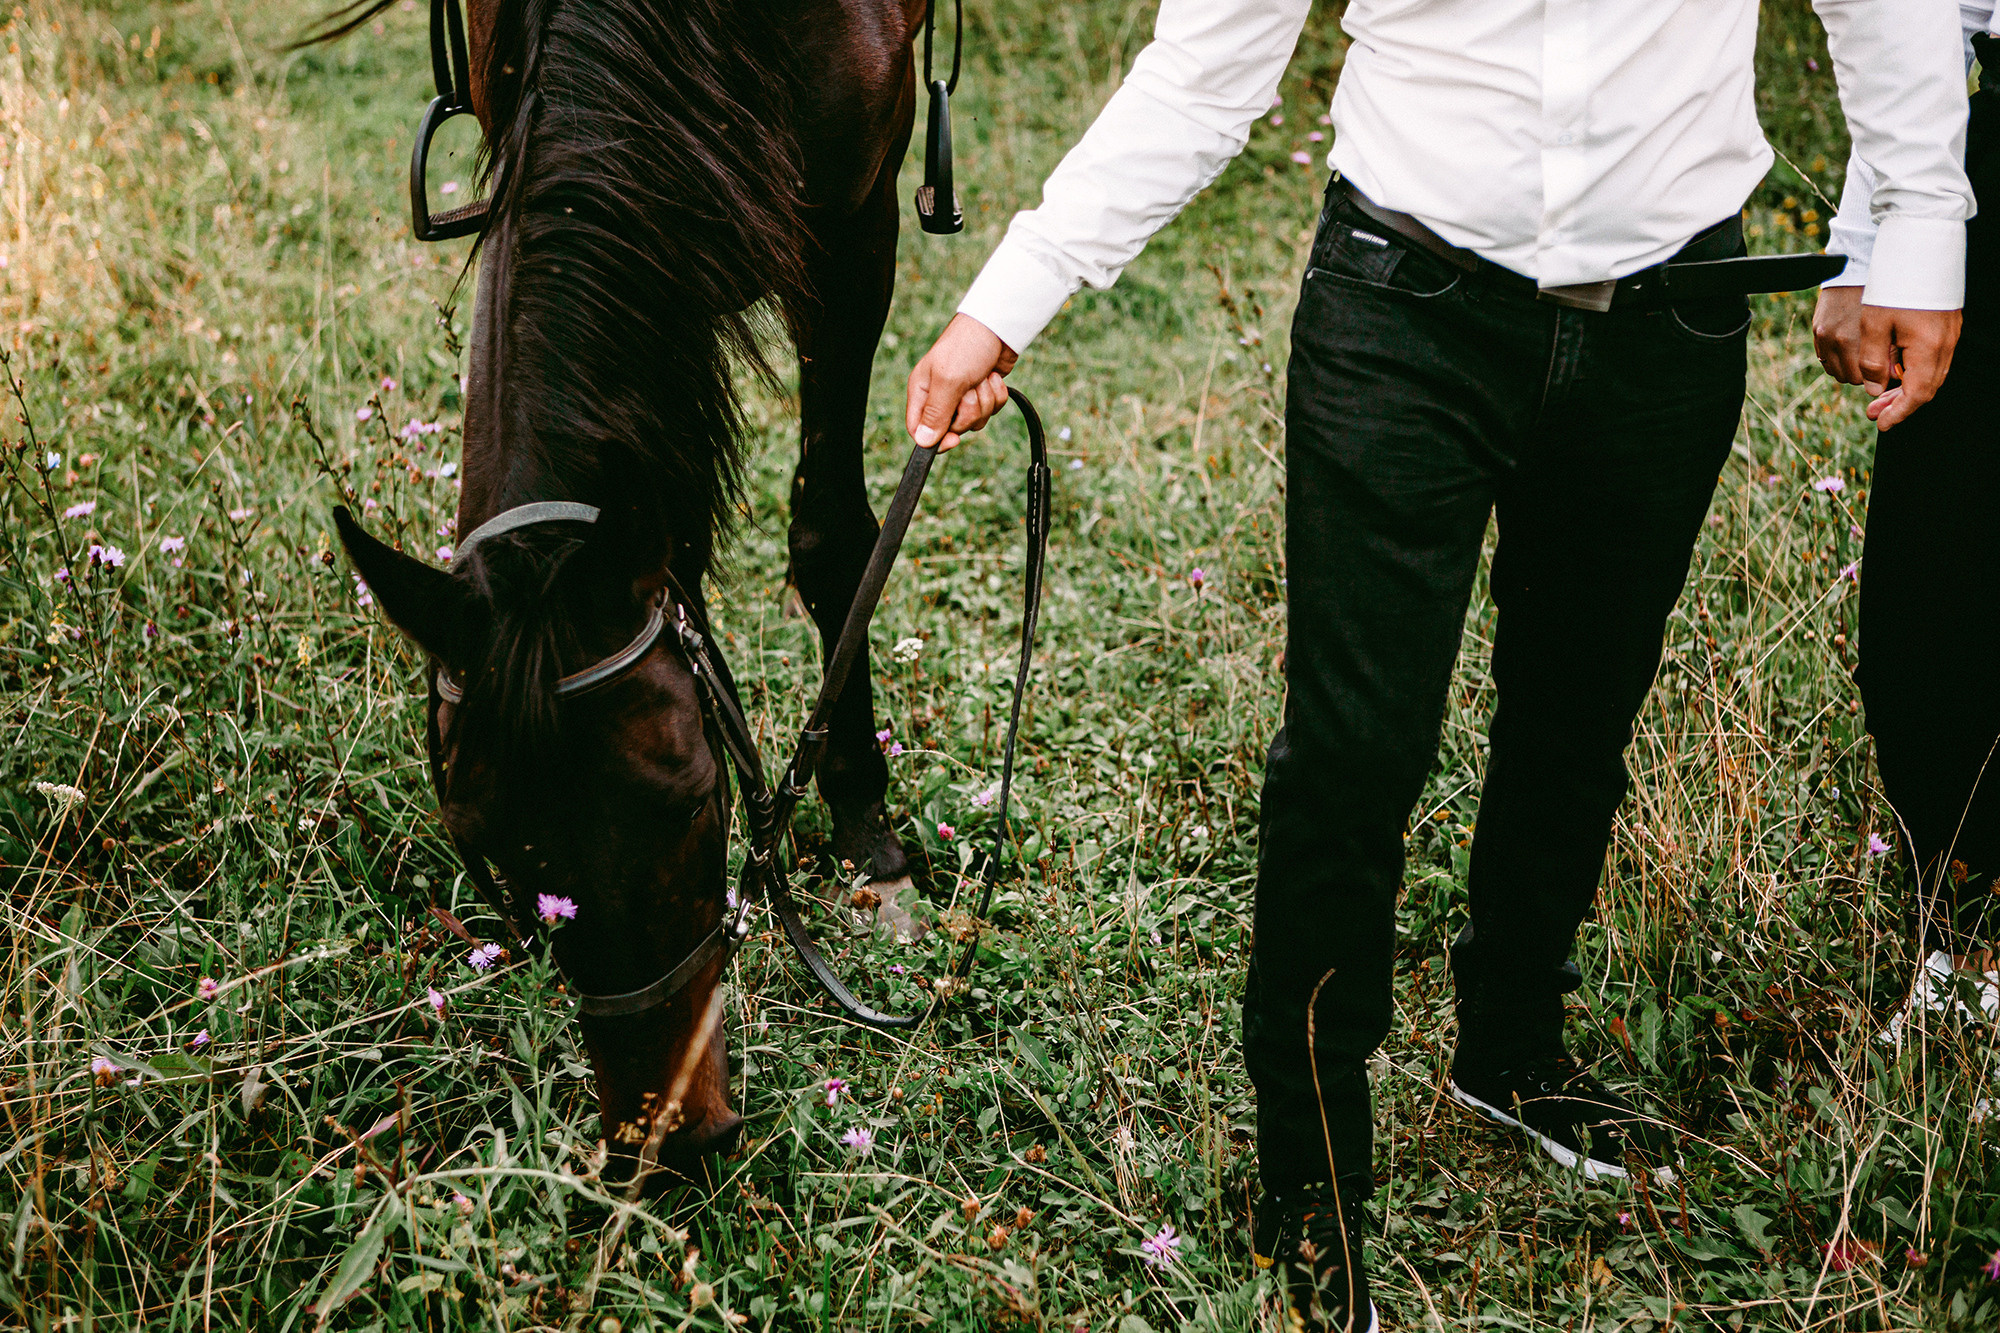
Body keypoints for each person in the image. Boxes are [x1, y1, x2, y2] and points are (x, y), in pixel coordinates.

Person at [907, 2, 1971, 1327]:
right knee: (1353, 751)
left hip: (1670, 319)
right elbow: (1205, 64)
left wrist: (1920, 221)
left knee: (1579, 715)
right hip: (1403, 304)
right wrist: (1008, 304)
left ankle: (1513, 1050)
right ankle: (1308, 1175)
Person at [1815, 6, 1998, 1044]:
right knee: (1929, 597)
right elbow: (1919, 17)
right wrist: (1863, 238)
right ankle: (1968, 944)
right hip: (1987, 137)